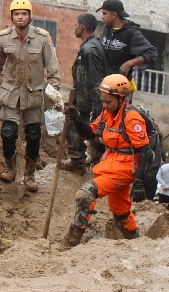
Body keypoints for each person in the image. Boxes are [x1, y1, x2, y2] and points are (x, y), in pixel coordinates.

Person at [63, 74, 151, 246]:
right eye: (103, 101)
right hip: (111, 162)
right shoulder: (106, 113)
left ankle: (72, 238)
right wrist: (77, 118)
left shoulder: (131, 118)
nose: (104, 105)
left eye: (108, 102)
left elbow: (145, 151)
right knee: (120, 210)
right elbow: (91, 133)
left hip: (125, 167)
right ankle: (134, 241)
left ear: (121, 98)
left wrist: (139, 182)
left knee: (85, 194)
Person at [0, 0, 61, 191]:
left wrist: (54, 92)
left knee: (32, 136)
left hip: (33, 95)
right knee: (8, 133)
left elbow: (52, 68)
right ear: (12, 17)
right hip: (10, 94)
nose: (20, 17)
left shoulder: (42, 37)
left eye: (24, 14)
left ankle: (30, 175)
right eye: (16, 14)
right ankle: (10, 168)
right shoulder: (4, 37)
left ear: (30, 16)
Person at [64, 12, 105, 171]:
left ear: (82, 27)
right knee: (88, 129)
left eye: (75, 25)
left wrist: (97, 107)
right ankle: (93, 159)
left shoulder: (90, 50)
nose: (74, 28)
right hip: (84, 99)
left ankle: (78, 162)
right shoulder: (91, 46)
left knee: (76, 127)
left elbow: (95, 80)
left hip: (85, 101)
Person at [97, 0, 157, 78]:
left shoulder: (131, 32)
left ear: (114, 15)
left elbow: (152, 53)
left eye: (105, 13)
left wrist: (130, 63)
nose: (102, 17)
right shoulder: (106, 29)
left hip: (120, 84)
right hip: (103, 81)